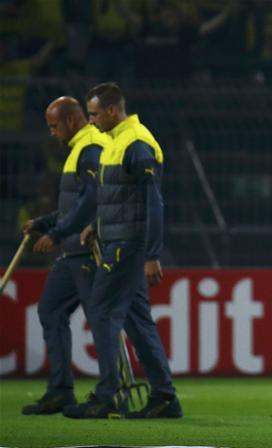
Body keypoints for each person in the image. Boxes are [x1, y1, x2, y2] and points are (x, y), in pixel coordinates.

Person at [64, 82, 181, 419]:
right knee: (137, 320)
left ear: (112, 111)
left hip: (127, 247)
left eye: (94, 114)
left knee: (101, 311)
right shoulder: (117, 141)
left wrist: (152, 254)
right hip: (118, 241)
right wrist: (96, 225)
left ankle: (108, 396)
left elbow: (153, 202)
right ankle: (164, 397)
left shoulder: (137, 143)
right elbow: (120, 198)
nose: (91, 121)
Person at [18, 97, 109, 415]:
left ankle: (110, 394)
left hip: (87, 250)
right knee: (50, 310)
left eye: (54, 125)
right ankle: (60, 391)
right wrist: (44, 222)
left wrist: (56, 234)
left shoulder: (90, 147)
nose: (52, 132)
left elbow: (91, 201)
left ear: (71, 120)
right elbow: (73, 205)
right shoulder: (78, 148)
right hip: (71, 252)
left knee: (100, 321)